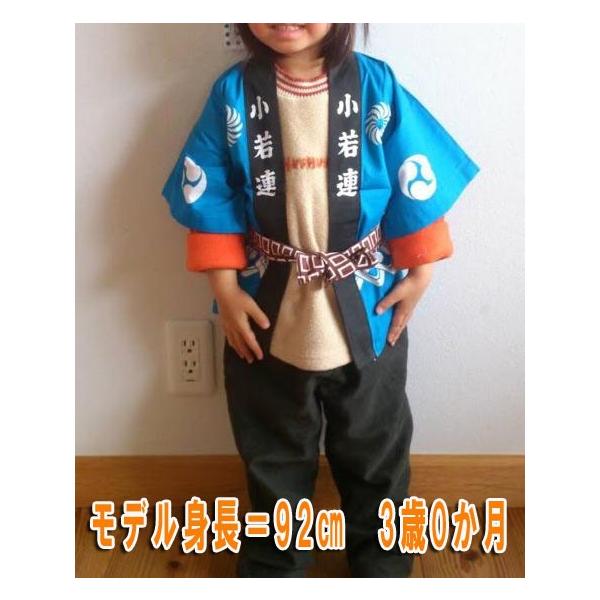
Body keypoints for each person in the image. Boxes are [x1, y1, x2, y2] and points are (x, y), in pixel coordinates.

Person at [162, 23, 480, 578]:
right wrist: (224, 287)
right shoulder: (232, 94)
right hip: (266, 316)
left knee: (377, 457)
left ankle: (382, 568)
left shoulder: (375, 86)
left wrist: (421, 269)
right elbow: (208, 190)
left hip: (369, 312)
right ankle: (274, 568)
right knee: (273, 459)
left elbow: (414, 173)